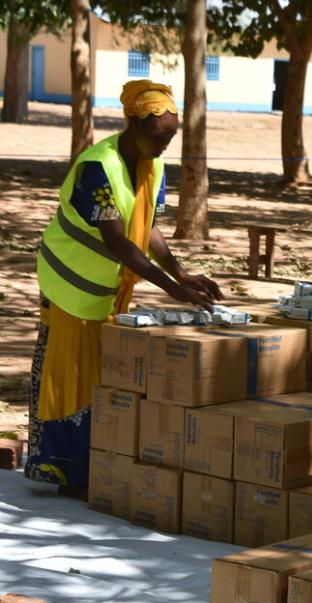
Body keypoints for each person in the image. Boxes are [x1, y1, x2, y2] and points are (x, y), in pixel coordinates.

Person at [26, 80, 222, 493]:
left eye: (172, 135)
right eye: (160, 134)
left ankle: (91, 465)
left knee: (96, 373)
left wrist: (181, 272)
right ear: (133, 124)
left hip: (101, 288)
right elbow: (117, 241)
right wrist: (171, 287)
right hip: (68, 283)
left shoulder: (151, 164)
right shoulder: (99, 166)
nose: (167, 142)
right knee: (71, 374)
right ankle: (64, 469)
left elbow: (148, 227)